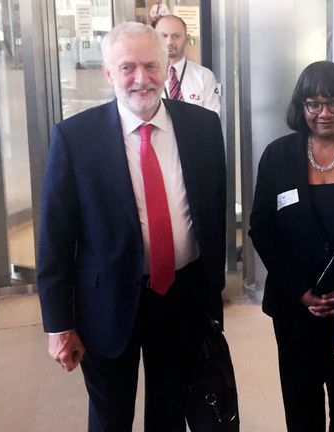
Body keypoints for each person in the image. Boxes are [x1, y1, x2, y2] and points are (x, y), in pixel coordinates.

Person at [36, 22, 227, 431]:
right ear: (108, 73)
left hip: (182, 296)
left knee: (171, 410)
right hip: (106, 303)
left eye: (151, 66)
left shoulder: (203, 128)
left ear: (166, 68)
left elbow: (214, 213)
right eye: (127, 68)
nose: (141, 79)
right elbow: (54, 239)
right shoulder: (74, 138)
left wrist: (213, 296)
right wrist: (58, 324)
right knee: (110, 416)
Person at [248, 61, 334, 432]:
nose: (324, 113)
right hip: (294, 307)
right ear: (300, 108)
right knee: (301, 405)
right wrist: (300, 292)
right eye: (313, 104)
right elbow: (262, 228)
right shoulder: (278, 155)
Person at [154, 15, 221, 114]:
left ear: (187, 39)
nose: (169, 42)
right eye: (164, 36)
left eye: (176, 36)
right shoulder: (146, 77)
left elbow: (213, 119)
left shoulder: (204, 76)